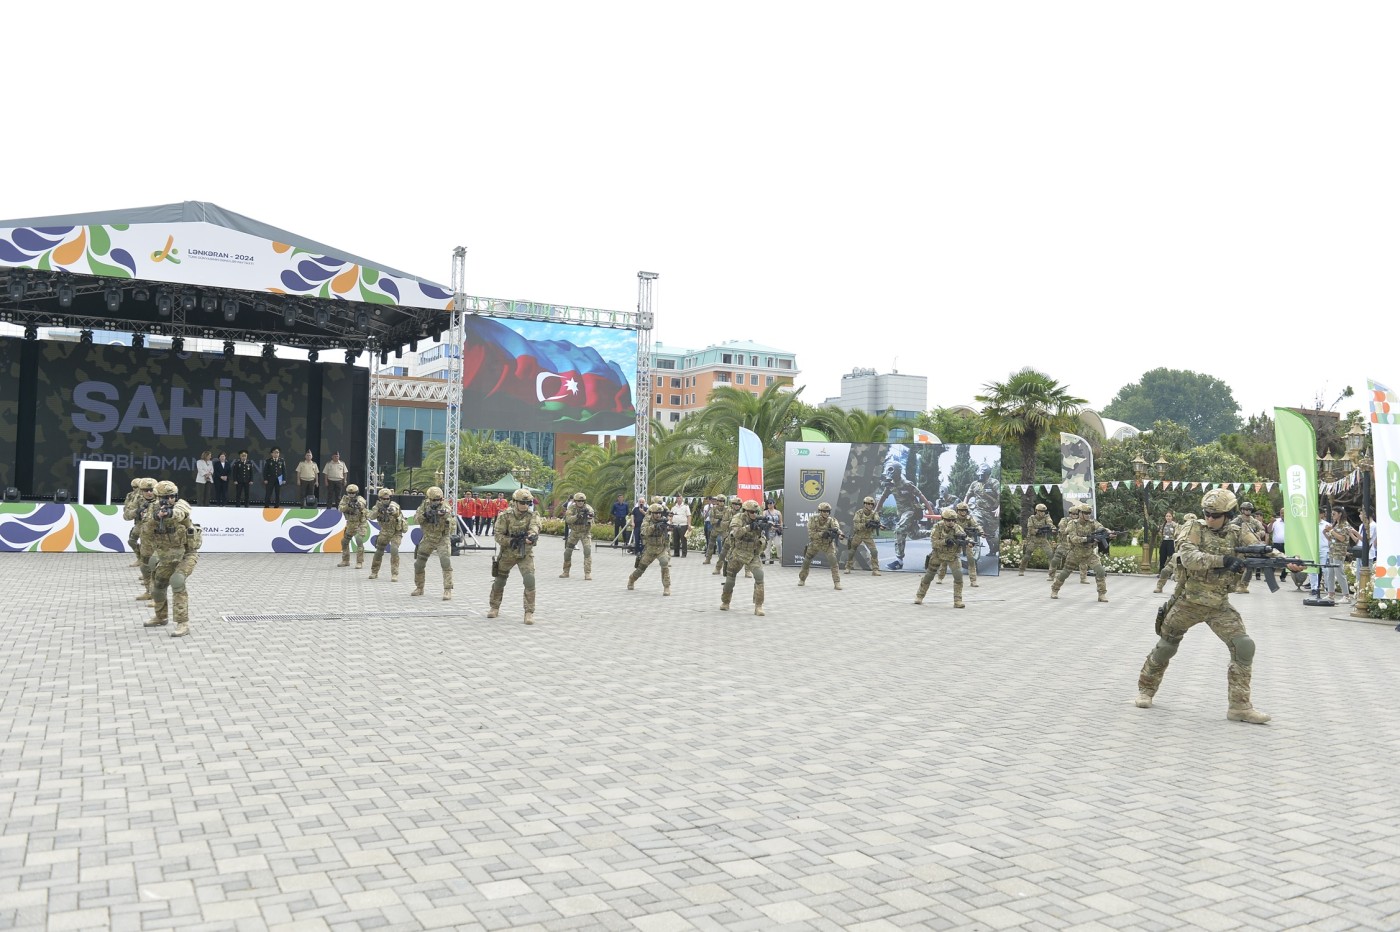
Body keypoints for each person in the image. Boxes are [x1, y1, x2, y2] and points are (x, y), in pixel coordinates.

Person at [1135, 488, 1295, 724]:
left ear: (1228, 515)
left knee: (1244, 646)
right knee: (1166, 647)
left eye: (1216, 515)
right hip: (1189, 601)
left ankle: (1240, 707)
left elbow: (1259, 547)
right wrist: (1224, 560)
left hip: (1218, 604)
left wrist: (1287, 561)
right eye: (1207, 513)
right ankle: (1145, 690)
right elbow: (1189, 557)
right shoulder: (1194, 528)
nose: (1210, 518)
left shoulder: (1236, 531)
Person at [142, 480, 196, 638]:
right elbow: (146, 531)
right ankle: (160, 616)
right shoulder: (154, 508)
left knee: (177, 582)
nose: (170, 500)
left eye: (172, 496)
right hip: (166, 556)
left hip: (186, 554)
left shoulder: (182, 504)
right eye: (165, 497)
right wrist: (154, 517)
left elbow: (179, 513)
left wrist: (168, 514)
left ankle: (182, 623)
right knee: (158, 586)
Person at [489, 488, 543, 624]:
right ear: (514, 502)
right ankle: (494, 607)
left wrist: (532, 536)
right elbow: (498, 535)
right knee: (500, 581)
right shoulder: (505, 516)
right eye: (522, 503)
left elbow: (535, 527)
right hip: (507, 553)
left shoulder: (533, 515)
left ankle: (529, 612)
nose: (525, 505)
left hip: (525, 553)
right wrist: (510, 541)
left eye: (528, 503)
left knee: (530, 580)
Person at [874, 462, 933, 570]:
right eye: (888, 470)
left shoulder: (906, 483)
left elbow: (921, 495)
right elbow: (883, 498)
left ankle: (899, 561)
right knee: (914, 535)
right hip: (902, 513)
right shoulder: (890, 484)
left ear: (897, 471)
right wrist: (875, 512)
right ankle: (935, 532)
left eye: (891, 470)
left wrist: (931, 511)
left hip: (911, 511)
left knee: (899, 529)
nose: (889, 472)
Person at [1051, 504, 1110, 602]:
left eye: (1089, 513)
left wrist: (1107, 532)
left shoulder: (1092, 522)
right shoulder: (1072, 524)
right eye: (1086, 513)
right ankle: (1055, 589)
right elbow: (1074, 539)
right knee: (1065, 573)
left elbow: (1100, 527)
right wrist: (1087, 539)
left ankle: (1102, 594)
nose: (1088, 515)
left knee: (1100, 571)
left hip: (1089, 553)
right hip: (1075, 553)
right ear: (1080, 513)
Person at [720, 500, 768, 616]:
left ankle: (758, 605)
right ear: (745, 511)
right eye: (752, 512)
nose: (754, 514)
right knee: (730, 580)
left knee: (759, 576)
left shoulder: (758, 520)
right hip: (738, 553)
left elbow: (763, 538)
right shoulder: (738, 518)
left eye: (756, 512)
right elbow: (735, 533)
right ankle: (725, 602)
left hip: (752, 554)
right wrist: (749, 527)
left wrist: (763, 532)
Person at [916, 507, 966, 608]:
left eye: (953, 520)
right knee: (928, 576)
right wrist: (945, 542)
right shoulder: (937, 527)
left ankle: (957, 601)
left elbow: (964, 537)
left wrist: (967, 542)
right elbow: (934, 543)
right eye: (948, 520)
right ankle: (919, 596)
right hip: (938, 555)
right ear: (943, 519)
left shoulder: (958, 528)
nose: (951, 522)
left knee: (958, 578)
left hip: (953, 556)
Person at [412, 486, 454, 600]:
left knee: (445, 562)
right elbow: (415, 519)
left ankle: (447, 589)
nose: (436, 502)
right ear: (429, 499)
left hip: (442, 538)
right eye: (434, 500)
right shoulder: (424, 506)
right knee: (419, 564)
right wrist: (425, 515)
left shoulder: (444, 505)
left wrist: (444, 514)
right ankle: (419, 587)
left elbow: (449, 513)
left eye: (438, 500)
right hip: (428, 538)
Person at [627, 502, 673, 596]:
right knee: (641, 568)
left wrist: (667, 527)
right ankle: (631, 579)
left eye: (660, 513)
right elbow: (643, 532)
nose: (658, 515)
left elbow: (668, 532)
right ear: (652, 513)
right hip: (650, 549)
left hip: (661, 548)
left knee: (664, 563)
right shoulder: (647, 520)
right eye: (656, 513)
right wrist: (654, 526)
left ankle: (666, 587)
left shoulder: (663, 520)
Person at [798, 502, 842, 589]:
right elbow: (811, 534)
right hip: (815, 544)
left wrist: (839, 534)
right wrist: (822, 534)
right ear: (820, 511)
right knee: (807, 560)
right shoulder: (813, 519)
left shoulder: (832, 520)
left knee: (833, 561)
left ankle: (837, 582)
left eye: (828, 511)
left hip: (827, 545)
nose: (826, 513)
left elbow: (837, 529)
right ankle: (802, 579)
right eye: (824, 511)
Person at [938, 502, 983, 587]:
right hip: (954, 540)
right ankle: (940, 576)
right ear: (957, 511)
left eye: (965, 510)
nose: (963, 513)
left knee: (971, 560)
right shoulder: (953, 518)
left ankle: (973, 580)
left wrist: (981, 531)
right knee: (945, 559)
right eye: (961, 511)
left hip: (966, 539)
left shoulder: (969, 518)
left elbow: (976, 525)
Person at [368, 489, 405, 581]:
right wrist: (378, 510)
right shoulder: (377, 507)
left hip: (396, 532)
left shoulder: (394, 505)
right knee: (379, 552)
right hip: (385, 531)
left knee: (394, 550)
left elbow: (396, 511)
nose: (386, 500)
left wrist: (391, 511)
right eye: (383, 499)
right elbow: (371, 516)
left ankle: (394, 574)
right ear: (380, 499)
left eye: (387, 498)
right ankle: (374, 572)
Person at [1324, 505, 1359, 602]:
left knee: (1339, 573)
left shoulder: (1345, 525)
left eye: (1334, 514)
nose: (1332, 515)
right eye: (1332, 514)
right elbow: (1331, 538)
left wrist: (1331, 530)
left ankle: (1346, 596)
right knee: (1330, 573)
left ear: (1340, 514)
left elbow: (1342, 538)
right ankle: (1331, 594)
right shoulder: (1335, 524)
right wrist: (1325, 532)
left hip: (1339, 552)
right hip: (1332, 551)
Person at [1231, 501, 1267, 593]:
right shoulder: (1238, 520)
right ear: (1242, 510)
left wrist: (1258, 534)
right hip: (1240, 547)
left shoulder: (1254, 521)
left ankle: (1244, 585)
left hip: (1252, 546)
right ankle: (1236, 584)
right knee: (1239, 566)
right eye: (1246, 509)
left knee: (1250, 567)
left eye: (1249, 509)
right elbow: (1229, 527)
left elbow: (1263, 530)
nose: (1247, 511)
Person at [560, 492, 596, 579]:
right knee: (568, 552)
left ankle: (587, 573)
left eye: (582, 501)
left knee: (587, 552)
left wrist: (588, 517)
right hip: (574, 533)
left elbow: (591, 518)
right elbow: (568, 519)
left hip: (585, 533)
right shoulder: (571, 508)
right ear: (575, 501)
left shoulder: (588, 508)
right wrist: (577, 516)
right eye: (579, 501)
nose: (580, 502)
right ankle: (566, 572)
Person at [844, 496, 882, 575]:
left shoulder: (874, 513)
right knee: (852, 551)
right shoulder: (859, 513)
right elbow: (856, 525)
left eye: (872, 504)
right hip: (858, 535)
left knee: (874, 551)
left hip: (868, 535)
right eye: (868, 504)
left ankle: (875, 569)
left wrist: (876, 524)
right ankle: (848, 567)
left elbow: (877, 520)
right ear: (864, 504)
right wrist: (865, 524)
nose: (870, 506)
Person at [337, 483, 369, 569]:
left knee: (359, 541)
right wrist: (348, 506)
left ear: (356, 493)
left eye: (353, 493)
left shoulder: (360, 499)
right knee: (344, 541)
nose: (351, 495)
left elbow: (362, 504)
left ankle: (359, 562)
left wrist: (357, 505)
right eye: (350, 493)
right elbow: (340, 508)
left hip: (360, 524)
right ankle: (345, 560)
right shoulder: (345, 499)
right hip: (351, 524)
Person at [1020, 503, 1055, 577]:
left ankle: (1052, 573)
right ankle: (1021, 569)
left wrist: (1051, 527)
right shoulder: (1032, 518)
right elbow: (1030, 529)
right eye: (1041, 511)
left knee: (1050, 555)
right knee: (1027, 556)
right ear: (1037, 511)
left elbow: (1050, 523)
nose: (1043, 513)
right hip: (1033, 539)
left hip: (1043, 540)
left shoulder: (1046, 517)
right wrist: (1038, 531)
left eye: (1044, 511)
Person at [711, 495, 742, 573]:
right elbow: (723, 524)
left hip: (740, 536)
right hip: (729, 535)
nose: (737, 506)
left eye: (739, 505)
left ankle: (747, 571)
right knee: (723, 553)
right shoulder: (728, 512)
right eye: (735, 504)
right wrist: (732, 521)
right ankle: (718, 568)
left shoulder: (743, 513)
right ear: (732, 505)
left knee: (744, 554)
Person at [121, 477, 146, 567]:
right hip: (138, 522)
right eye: (134, 487)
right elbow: (127, 509)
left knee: (146, 544)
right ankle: (140, 558)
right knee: (132, 541)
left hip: (147, 522)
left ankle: (146, 562)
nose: (136, 489)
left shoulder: (146, 495)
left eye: (137, 487)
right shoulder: (131, 496)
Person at [761, 500, 783, 564]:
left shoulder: (778, 512)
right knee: (767, 545)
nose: (769, 505)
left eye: (770, 503)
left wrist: (780, 526)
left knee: (778, 544)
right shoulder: (765, 512)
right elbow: (763, 521)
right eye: (768, 504)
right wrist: (770, 527)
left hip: (776, 530)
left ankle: (780, 557)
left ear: (774, 503)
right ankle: (767, 558)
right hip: (768, 530)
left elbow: (781, 521)